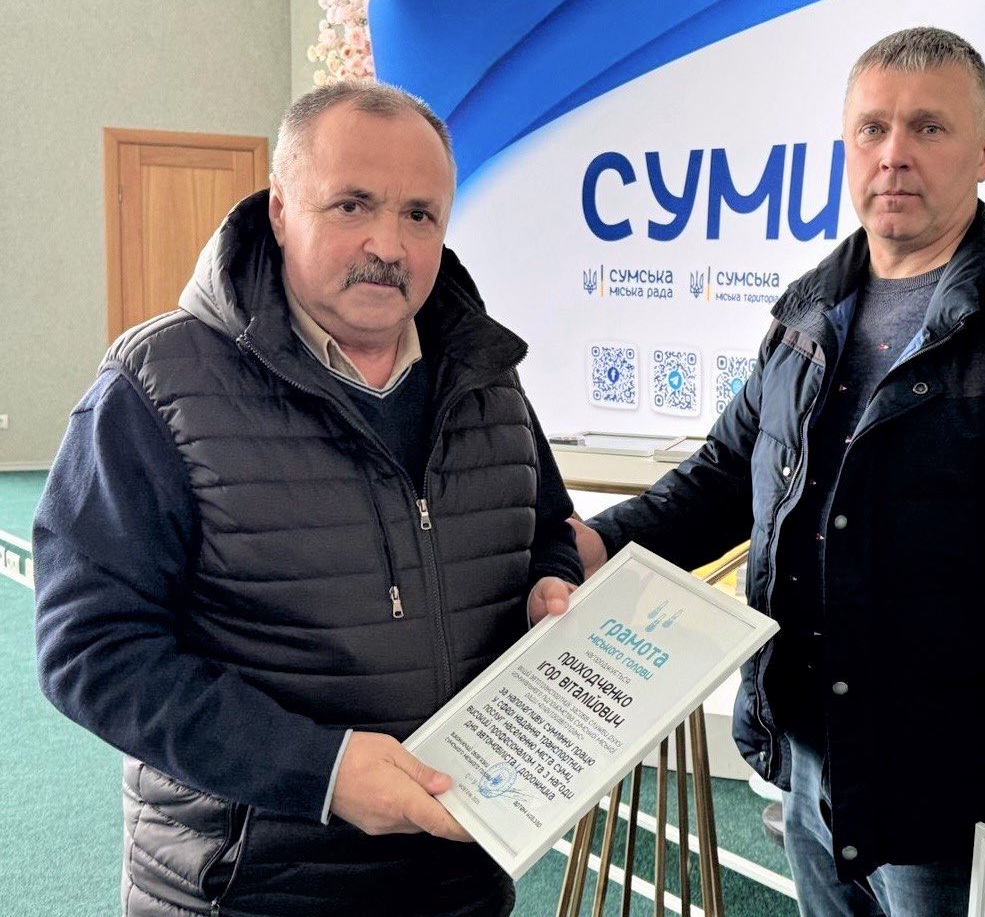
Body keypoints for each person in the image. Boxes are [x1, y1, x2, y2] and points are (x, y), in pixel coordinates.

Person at [570, 27, 985, 917]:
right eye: (871, 128)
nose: (893, 153)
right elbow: (725, 477)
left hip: (956, 794)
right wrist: (591, 546)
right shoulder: (804, 317)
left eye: (927, 128)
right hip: (810, 765)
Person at [34, 83, 582, 917]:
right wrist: (317, 771)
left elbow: (545, 528)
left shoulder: (486, 376)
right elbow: (93, 650)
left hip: (459, 874)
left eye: (419, 215)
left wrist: (550, 583)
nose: (387, 245)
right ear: (281, 209)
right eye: (352, 205)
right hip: (249, 888)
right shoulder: (156, 386)